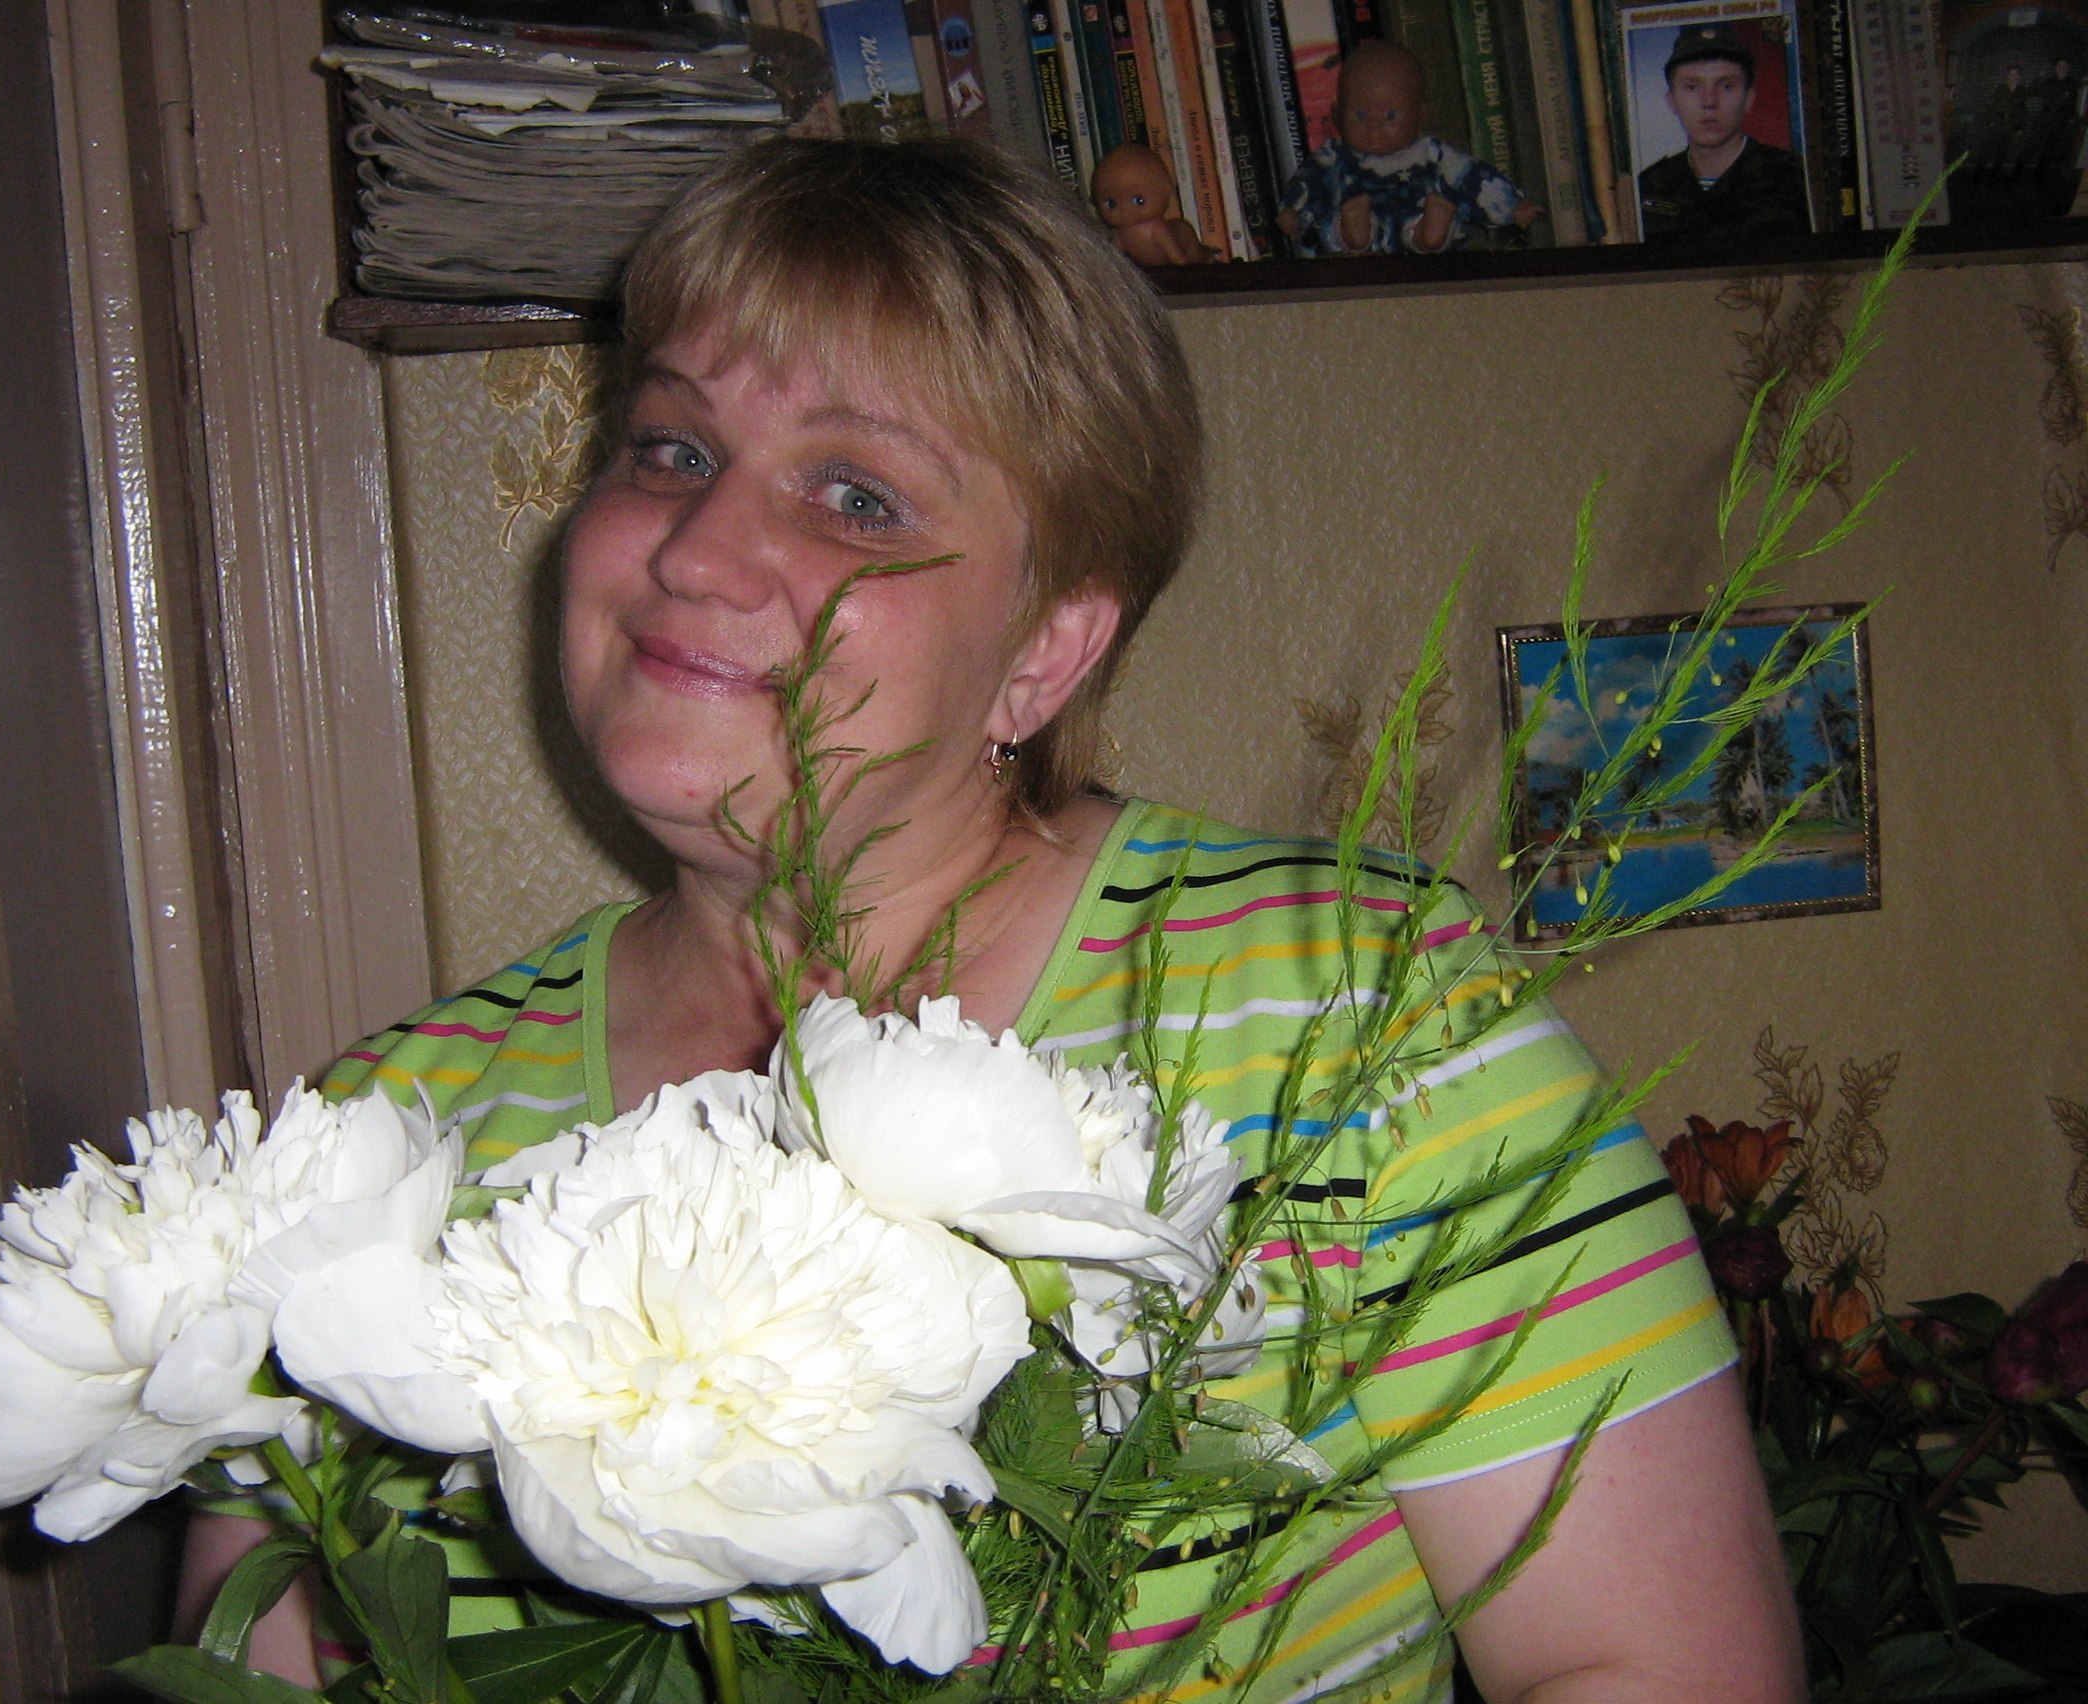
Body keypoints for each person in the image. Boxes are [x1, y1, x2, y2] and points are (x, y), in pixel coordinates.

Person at [182, 137, 1806, 1703]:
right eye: (670, 447)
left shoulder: (1366, 1018)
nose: (695, 548)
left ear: (1045, 649)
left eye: (854, 494)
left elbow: (1662, 1666)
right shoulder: (367, 1150)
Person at [1277, 39, 1537, 254]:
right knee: (1330, 227)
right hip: (1354, 237)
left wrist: (1511, 207)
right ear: (1336, 115)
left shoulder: (1433, 155)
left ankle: (1429, 232)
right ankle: (1351, 232)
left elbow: (1472, 178)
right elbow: (1308, 182)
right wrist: (1292, 210)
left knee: (1432, 219)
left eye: (1390, 117)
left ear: (1421, 116)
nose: (1373, 128)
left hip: (1415, 218)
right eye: (1359, 115)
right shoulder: (1334, 158)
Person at [1637, 24, 1812, 242]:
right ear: (1671, 100)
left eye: (1726, 86)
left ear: (1749, 98)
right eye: (1692, 87)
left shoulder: (1797, 179)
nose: (1709, 102)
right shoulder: (1650, 185)